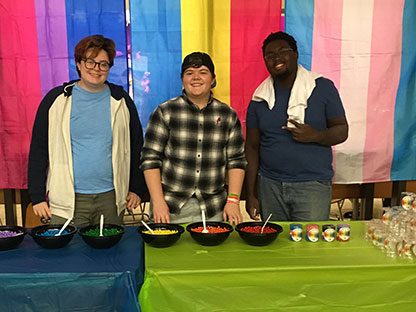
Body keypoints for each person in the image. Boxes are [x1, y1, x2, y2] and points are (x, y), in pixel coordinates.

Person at [28, 34, 147, 227]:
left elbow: (136, 147)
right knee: (68, 254)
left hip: (112, 199)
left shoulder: (121, 100)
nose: (97, 69)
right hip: (68, 201)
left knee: (110, 254)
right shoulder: (56, 100)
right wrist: (37, 196)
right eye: (90, 62)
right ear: (78, 63)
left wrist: (136, 188)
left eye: (103, 64)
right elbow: (39, 150)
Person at [245, 31, 348, 222]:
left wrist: (315, 135)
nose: (277, 58)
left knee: (309, 247)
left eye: (282, 51)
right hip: (270, 185)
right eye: (270, 55)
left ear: (295, 54)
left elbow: (342, 130)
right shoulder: (259, 99)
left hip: (312, 185)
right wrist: (251, 193)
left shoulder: (322, 88)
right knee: (277, 248)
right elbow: (251, 147)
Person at [140, 52, 246, 225]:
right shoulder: (165, 112)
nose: (196, 77)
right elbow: (150, 160)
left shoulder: (228, 115)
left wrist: (233, 201)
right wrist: (158, 201)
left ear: (213, 79)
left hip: (214, 209)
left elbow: (236, 161)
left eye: (203, 72)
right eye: (189, 73)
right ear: (182, 79)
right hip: (169, 207)